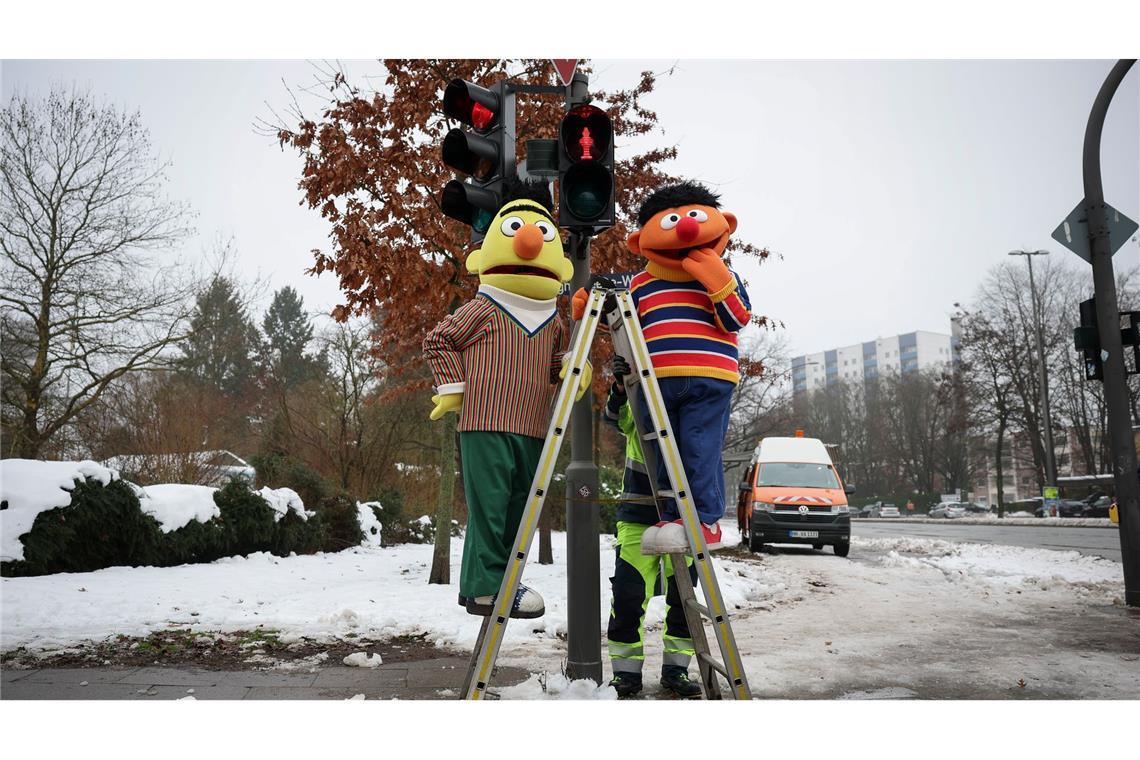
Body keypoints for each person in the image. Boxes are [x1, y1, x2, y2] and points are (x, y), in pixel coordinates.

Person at [423, 178, 589, 619]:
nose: (531, 242)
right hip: (486, 421)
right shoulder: (484, 308)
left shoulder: (553, 320)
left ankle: (497, 583)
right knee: (490, 507)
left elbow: (553, 367)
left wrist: (575, 368)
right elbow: (439, 340)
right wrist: (453, 388)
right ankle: (485, 588)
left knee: (520, 508)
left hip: (533, 426)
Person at [577, 181, 751, 554]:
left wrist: (717, 279)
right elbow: (624, 320)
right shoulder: (641, 284)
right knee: (661, 450)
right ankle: (673, 516)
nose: (685, 228)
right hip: (655, 381)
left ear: (725, 224)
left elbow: (735, 319)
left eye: (694, 217)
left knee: (699, 447)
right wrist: (591, 304)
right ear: (639, 241)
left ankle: (704, 520)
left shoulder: (725, 277)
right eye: (672, 220)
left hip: (709, 378)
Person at [603, 354, 702, 699]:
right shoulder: (642, 408)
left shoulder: (691, 415)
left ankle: (676, 671)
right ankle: (626, 675)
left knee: (683, 601)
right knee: (628, 596)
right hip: (637, 515)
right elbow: (614, 416)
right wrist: (620, 388)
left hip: (682, 518)